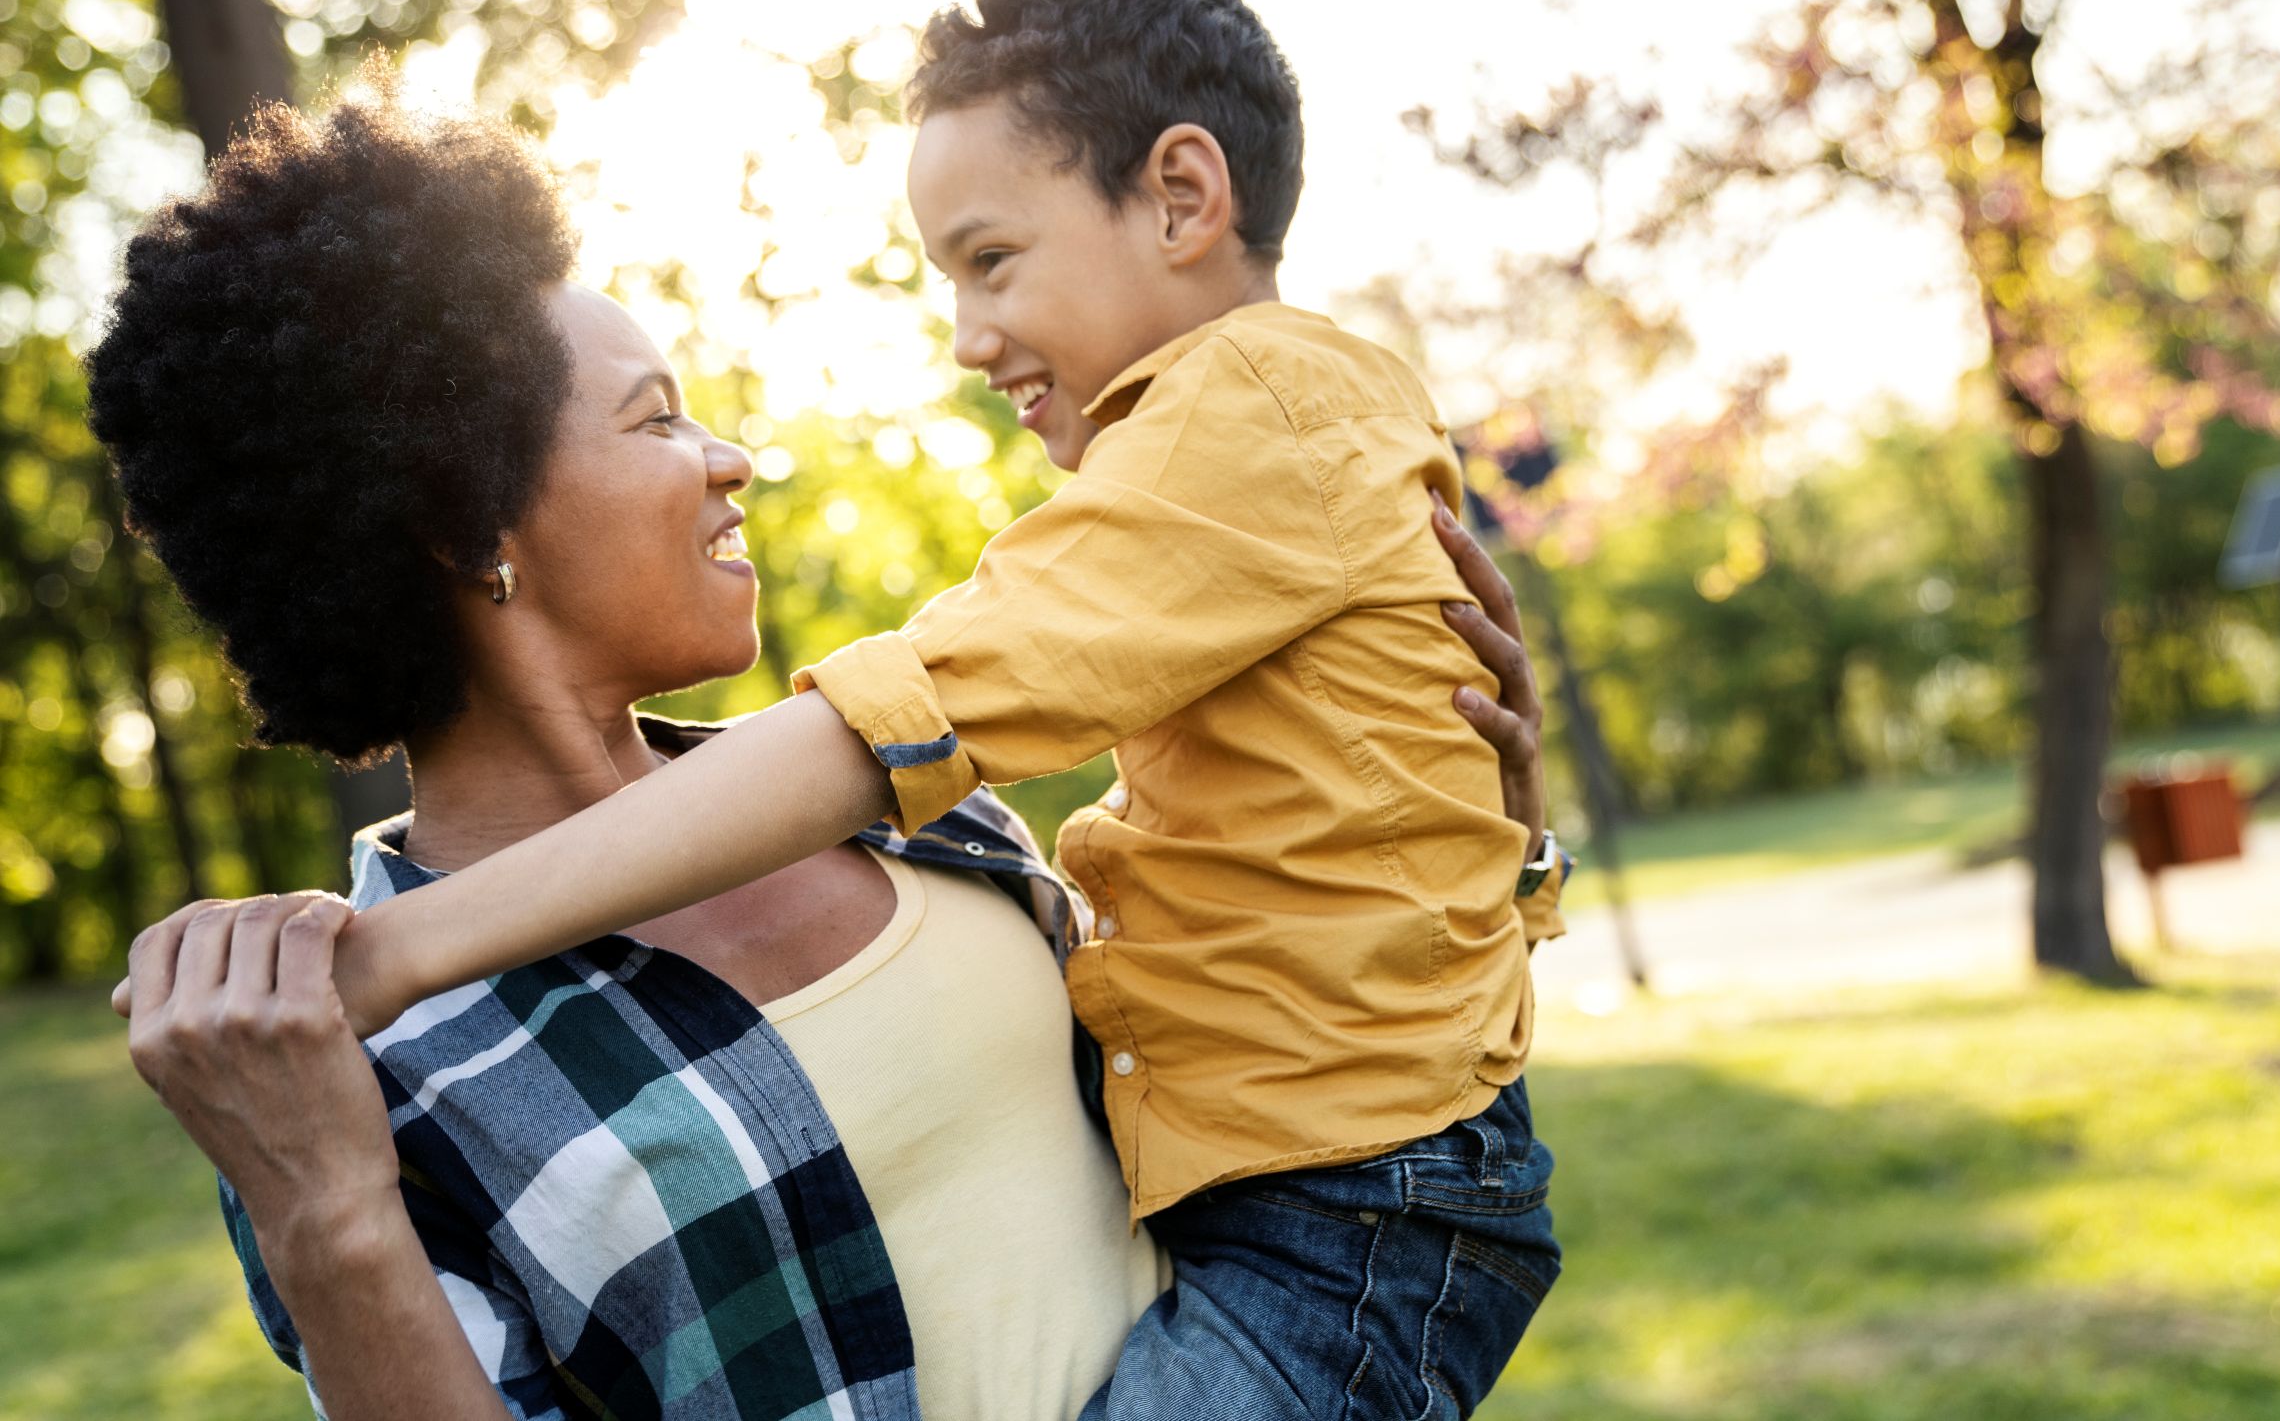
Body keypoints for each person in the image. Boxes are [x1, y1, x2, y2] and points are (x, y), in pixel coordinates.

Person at [91, 71, 1562, 1419]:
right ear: (469, 523)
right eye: (657, 421)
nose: (730, 458)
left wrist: (1467, 812)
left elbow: (1303, 1107)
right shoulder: (339, 1058)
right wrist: (332, 1223)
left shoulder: (912, 820)